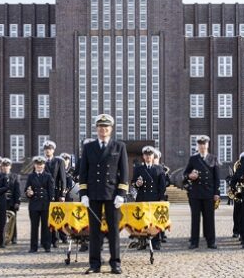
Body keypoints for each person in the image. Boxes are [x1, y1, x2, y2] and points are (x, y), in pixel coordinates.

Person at [79, 114, 128, 275]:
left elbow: (124, 172)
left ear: (111, 129)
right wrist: (83, 194)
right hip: (93, 195)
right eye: (100, 127)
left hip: (112, 195)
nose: (103, 130)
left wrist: (121, 193)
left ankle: (115, 263)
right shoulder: (88, 147)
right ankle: (94, 264)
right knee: (94, 231)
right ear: (96, 129)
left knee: (113, 231)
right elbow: (83, 172)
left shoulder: (119, 146)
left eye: (106, 127)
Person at [183, 135, 219, 250]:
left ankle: (211, 241)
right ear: (197, 146)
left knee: (209, 218)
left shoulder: (213, 158)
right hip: (195, 194)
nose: (202, 146)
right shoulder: (193, 159)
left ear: (207, 145)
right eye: (200, 144)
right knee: (195, 219)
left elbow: (216, 178)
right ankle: (194, 242)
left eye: (204, 144)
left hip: (208, 193)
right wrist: (190, 176)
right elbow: (185, 175)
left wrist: (216, 193)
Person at [131, 146, 166, 250]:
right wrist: (137, 183)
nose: (148, 157)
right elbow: (133, 183)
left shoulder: (159, 169)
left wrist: (161, 199)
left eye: (150, 155)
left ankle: (156, 242)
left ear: (153, 156)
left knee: (154, 221)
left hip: (154, 199)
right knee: (142, 221)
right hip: (142, 198)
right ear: (143, 156)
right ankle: (142, 242)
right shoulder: (138, 169)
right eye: (146, 155)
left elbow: (162, 186)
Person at [26, 156, 55, 253]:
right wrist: (28, 193)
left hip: (45, 204)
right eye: (37, 165)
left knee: (46, 226)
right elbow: (27, 189)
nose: (39, 166)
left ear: (44, 165)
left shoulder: (48, 176)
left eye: (41, 164)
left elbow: (51, 192)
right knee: (34, 227)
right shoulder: (31, 176)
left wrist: (51, 204)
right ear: (34, 165)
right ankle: (33, 247)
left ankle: (47, 245)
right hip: (34, 205)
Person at [43, 141, 68, 249]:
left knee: (57, 217)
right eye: (46, 149)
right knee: (47, 218)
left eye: (50, 149)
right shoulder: (41, 162)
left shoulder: (59, 161)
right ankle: (47, 239)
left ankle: (56, 240)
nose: (48, 150)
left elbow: (63, 179)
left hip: (56, 193)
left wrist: (62, 194)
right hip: (45, 193)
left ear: (53, 150)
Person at [0, 158, 20, 248]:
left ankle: (14, 238)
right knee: (0, 221)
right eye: (4, 166)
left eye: (7, 166)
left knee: (13, 220)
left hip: (11, 202)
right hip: (1, 201)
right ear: (1, 167)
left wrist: (17, 202)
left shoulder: (15, 176)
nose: (6, 168)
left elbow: (17, 191)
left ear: (10, 166)